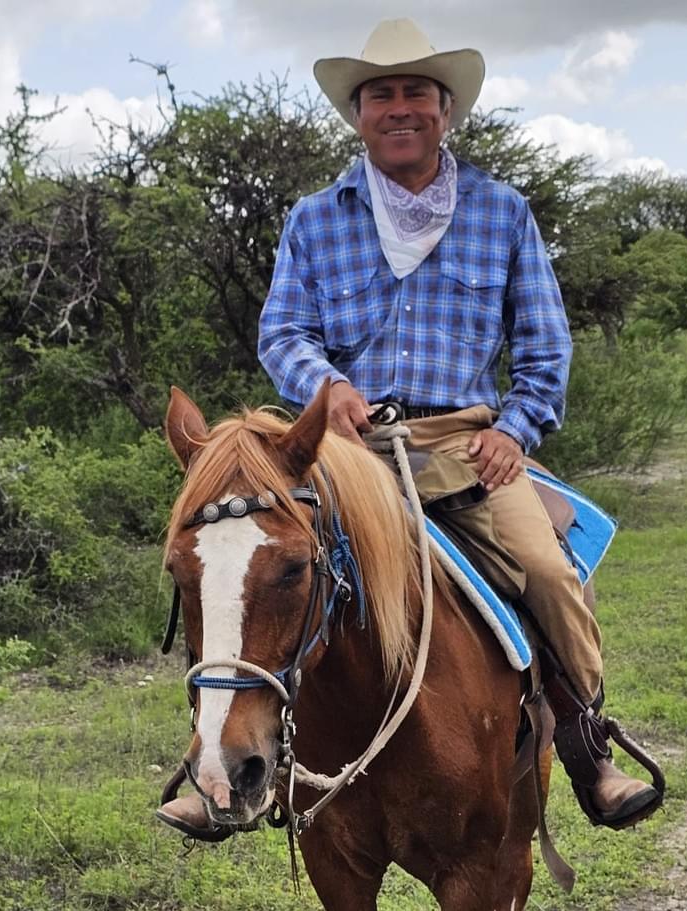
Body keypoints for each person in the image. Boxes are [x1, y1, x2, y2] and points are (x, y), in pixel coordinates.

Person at [157, 17, 661, 838]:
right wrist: (328, 387)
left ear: (445, 108)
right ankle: (220, 764)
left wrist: (518, 428)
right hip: (345, 449)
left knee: (544, 568)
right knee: (253, 568)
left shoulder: (502, 213)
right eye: (380, 95)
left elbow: (544, 341)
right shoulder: (315, 219)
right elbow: (283, 330)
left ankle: (585, 741)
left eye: (415, 93)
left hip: (463, 447)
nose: (399, 109)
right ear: (358, 115)